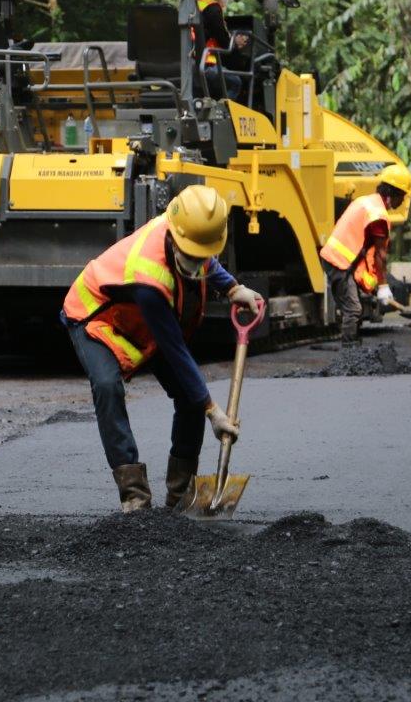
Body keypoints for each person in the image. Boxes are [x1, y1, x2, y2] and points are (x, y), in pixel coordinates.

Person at [61, 185, 263, 512]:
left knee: (188, 395)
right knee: (107, 387)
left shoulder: (186, 234)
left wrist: (232, 288)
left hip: (136, 322)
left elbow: (203, 261)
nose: (198, 265)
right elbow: (175, 350)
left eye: (203, 255)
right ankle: (135, 497)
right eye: (191, 256)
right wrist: (213, 412)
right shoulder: (148, 277)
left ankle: (181, 494)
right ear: (175, 238)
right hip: (96, 318)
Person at [320, 164, 411, 345]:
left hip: (340, 258)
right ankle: (350, 353)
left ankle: (353, 348)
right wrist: (383, 286)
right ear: (392, 194)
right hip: (338, 261)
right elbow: (381, 256)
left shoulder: (367, 201)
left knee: (355, 303)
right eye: (402, 196)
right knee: (353, 309)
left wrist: (372, 282)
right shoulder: (378, 216)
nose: (402, 201)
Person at [196, 0, 250, 100]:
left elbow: (210, 31)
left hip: (190, 61)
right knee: (235, 83)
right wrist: (235, 42)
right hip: (206, 64)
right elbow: (224, 41)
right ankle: (223, 115)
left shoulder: (197, 1)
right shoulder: (213, 8)